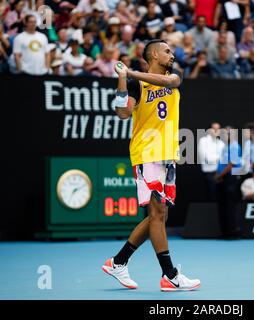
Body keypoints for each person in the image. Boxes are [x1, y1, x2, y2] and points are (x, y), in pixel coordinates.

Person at [103, 39, 200, 291]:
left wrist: (128, 71)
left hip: (168, 154)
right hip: (147, 152)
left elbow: (169, 82)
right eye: (167, 51)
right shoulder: (135, 84)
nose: (172, 54)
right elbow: (123, 113)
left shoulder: (173, 78)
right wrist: (123, 80)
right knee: (157, 214)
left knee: (160, 215)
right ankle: (170, 275)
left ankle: (118, 261)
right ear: (154, 54)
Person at [215, 126, 243, 239]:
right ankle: (225, 233)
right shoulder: (225, 147)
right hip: (223, 179)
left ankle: (233, 233)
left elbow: (232, 164)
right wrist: (219, 175)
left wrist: (219, 175)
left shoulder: (235, 146)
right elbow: (221, 163)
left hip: (231, 178)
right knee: (223, 206)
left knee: (230, 206)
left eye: (227, 133)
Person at [197, 121, 225, 201]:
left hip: (220, 173)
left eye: (218, 129)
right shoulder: (203, 141)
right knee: (212, 196)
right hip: (209, 173)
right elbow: (208, 159)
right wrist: (219, 158)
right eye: (214, 128)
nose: (216, 130)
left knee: (221, 196)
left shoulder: (221, 143)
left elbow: (224, 160)